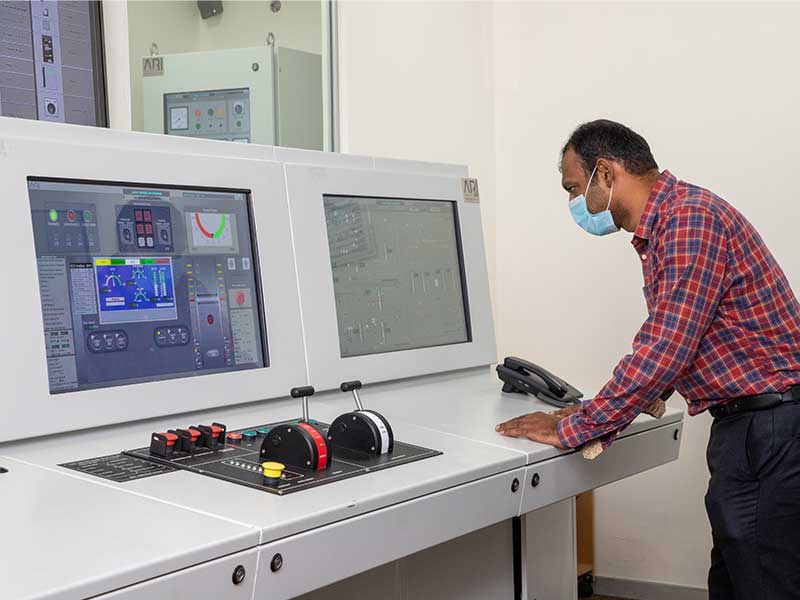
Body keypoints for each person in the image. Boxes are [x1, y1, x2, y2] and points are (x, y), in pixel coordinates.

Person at [495, 119, 800, 599]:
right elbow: (680, 343)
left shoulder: (689, 220)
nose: (574, 204)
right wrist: (593, 413)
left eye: (574, 188)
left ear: (605, 173)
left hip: (769, 428)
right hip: (751, 426)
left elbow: (665, 347)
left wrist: (574, 427)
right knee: (736, 577)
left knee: (762, 581)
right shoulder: (670, 225)